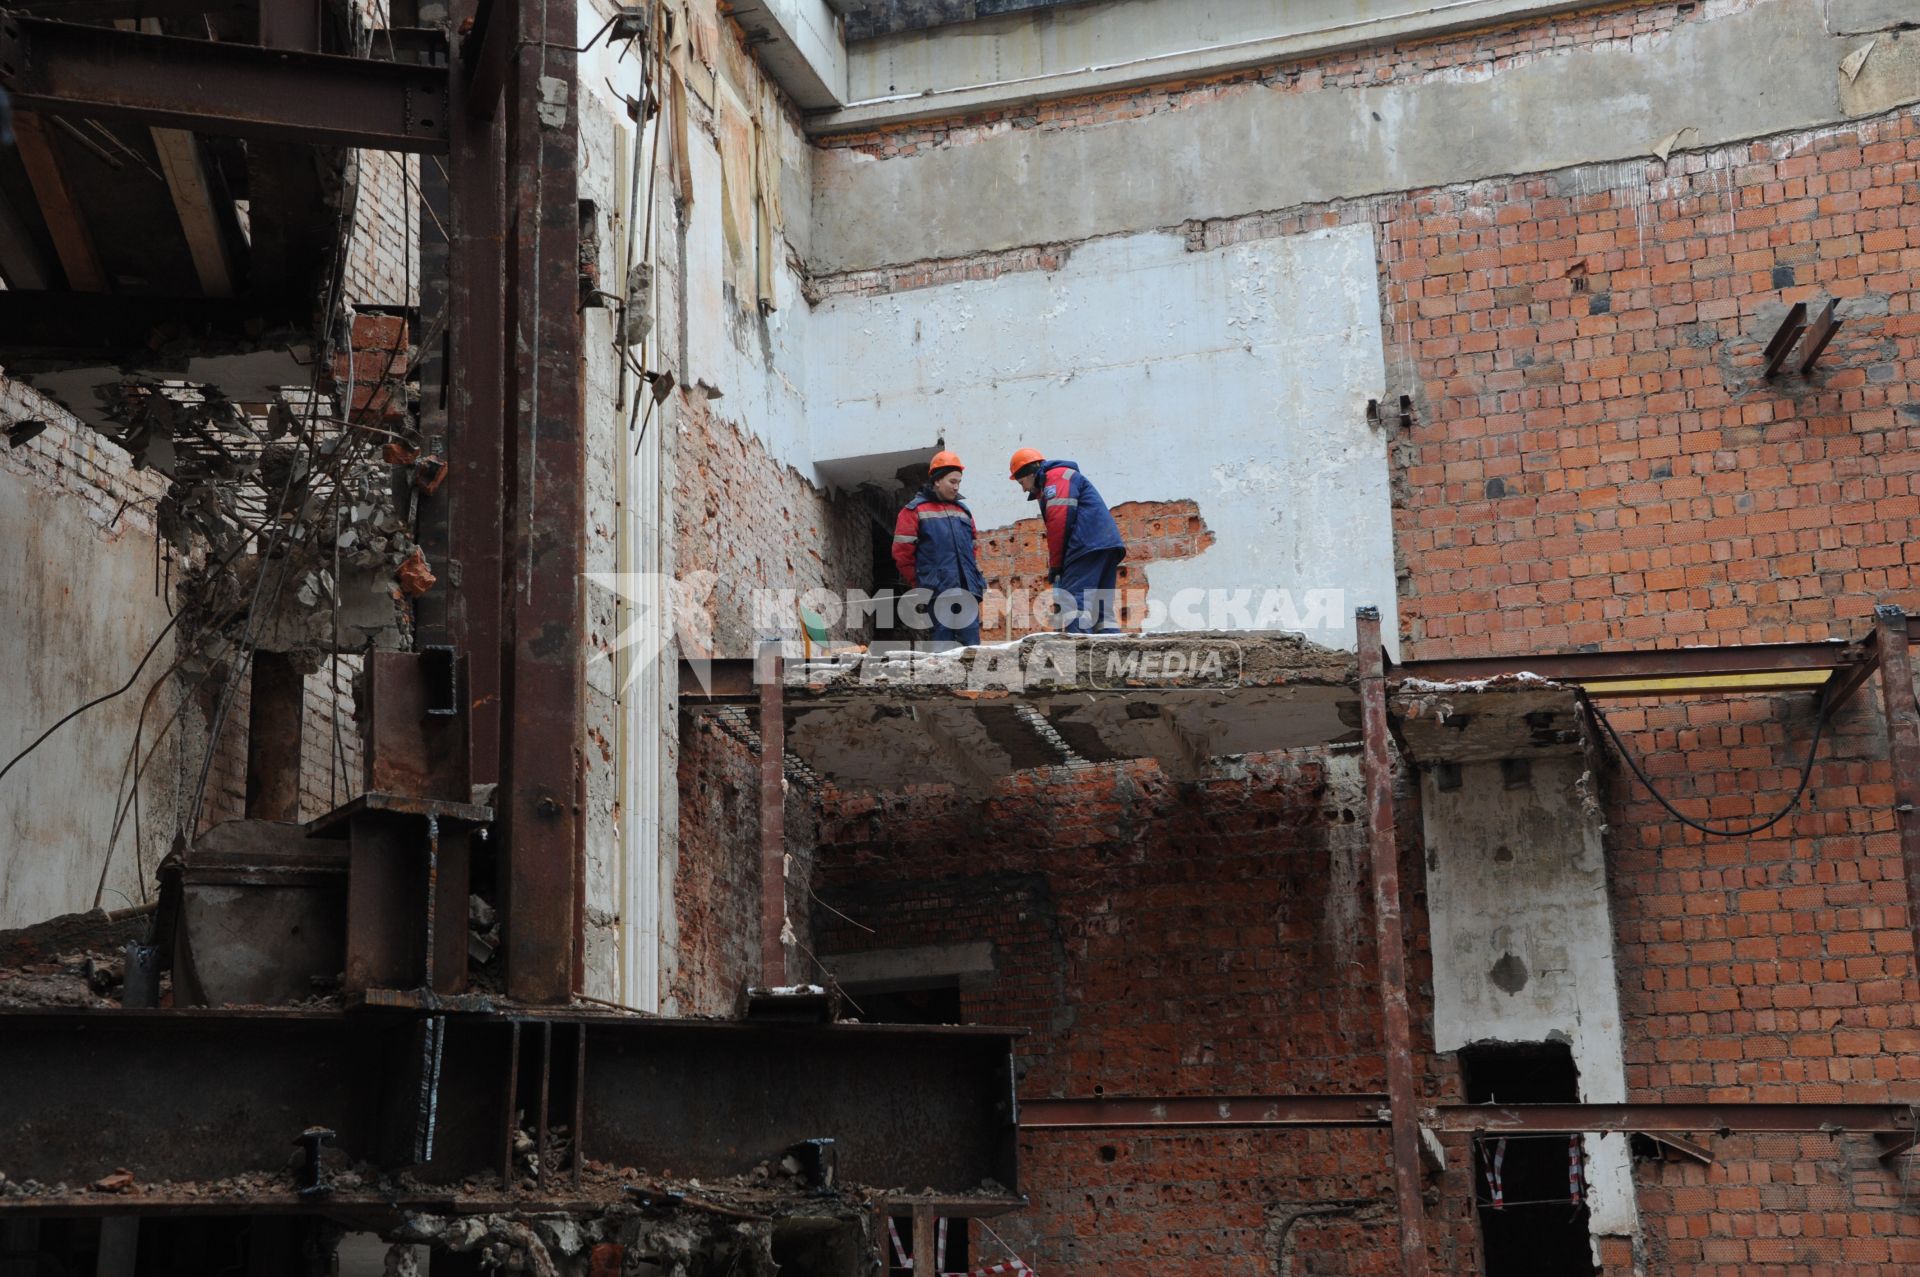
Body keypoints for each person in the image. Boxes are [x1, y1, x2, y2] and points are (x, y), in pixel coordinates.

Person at [1008, 448, 1125, 634]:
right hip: (1106, 545)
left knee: (1074, 605)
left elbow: (1059, 523)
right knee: (1102, 612)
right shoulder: (1063, 477)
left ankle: (1079, 658)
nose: (1023, 489)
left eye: (1022, 482)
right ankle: (1110, 655)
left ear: (1030, 473)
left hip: (1085, 547)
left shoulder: (1055, 478)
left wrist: (1056, 565)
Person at [892, 450, 987, 647]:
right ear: (937, 481)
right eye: (952, 482)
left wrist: (973, 577)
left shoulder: (963, 511)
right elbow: (902, 554)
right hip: (937, 591)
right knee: (943, 647)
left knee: (972, 648)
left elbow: (973, 548)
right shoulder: (914, 511)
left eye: (959, 482)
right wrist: (920, 582)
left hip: (967, 589)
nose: (956, 487)